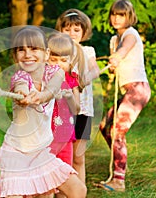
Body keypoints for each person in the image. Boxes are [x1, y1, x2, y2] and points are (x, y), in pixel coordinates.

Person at [0, 26, 87, 198]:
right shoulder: (20, 78)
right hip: (16, 153)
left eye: (34, 48)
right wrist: (22, 96)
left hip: (42, 152)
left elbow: (52, 88)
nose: (27, 54)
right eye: (21, 50)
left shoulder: (55, 72)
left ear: (47, 54)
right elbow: (20, 87)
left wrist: (41, 96)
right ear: (15, 56)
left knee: (78, 190)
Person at [96, 0, 151, 192]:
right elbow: (115, 66)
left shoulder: (131, 34)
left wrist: (117, 56)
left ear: (129, 17)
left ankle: (119, 180)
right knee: (105, 126)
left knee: (117, 130)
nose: (116, 18)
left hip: (138, 89)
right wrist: (112, 65)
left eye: (121, 15)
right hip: (128, 90)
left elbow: (125, 49)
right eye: (114, 14)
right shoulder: (113, 40)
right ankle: (118, 162)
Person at [55, 9, 100, 185]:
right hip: (61, 112)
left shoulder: (87, 51)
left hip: (83, 110)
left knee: (79, 157)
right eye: (67, 29)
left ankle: (80, 192)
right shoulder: (57, 52)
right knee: (61, 154)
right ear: (60, 31)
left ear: (83, 32)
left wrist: (85, 78)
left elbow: (94, 69)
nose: (72, 33)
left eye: (76, 30)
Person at [48, 32, 80, 167]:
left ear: (71, 60)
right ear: (45, 57)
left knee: (65, 167)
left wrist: (70, 97)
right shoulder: (42, 78)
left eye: (63, 60)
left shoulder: (72, 79)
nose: (58, 65)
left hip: (65, 133)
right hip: (46, 133)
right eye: (53, 60)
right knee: (47, 168)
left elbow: (76, 109)